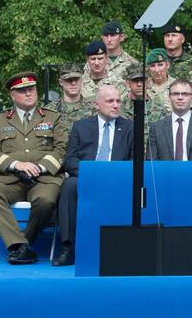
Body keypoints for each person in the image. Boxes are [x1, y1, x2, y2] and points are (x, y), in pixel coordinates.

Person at [0, 72, 67, 264]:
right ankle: (20, 246)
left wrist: (40, 167)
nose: (29, 93)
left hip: (44, 179)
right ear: (13, 95)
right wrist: (16, 164)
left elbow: (62, 148)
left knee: (45, 201)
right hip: (10, 178)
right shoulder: (0, 120)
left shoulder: (53, 117)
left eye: (32, 89)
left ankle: (22, 245)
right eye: (22, 91)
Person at [52, 85, 133, 266]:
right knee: (68, 186)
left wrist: (112, 175)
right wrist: (91, 173)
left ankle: (123, 247)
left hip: (117, 178)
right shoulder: (81, 126)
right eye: (110, 101)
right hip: (86, 176)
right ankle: (68, 247)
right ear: (97, 104)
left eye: (118, 101)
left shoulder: (129, 127)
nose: (116, 105)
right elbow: (70, 159)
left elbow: (134, 160)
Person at [148, 80, 192, 161]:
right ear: (169, 97)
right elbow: (151, 162)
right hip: (164, 173)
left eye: (185, 94)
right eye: (176, 94)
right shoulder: (156, 128)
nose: (180, 97)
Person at [43, 63, 96, 137]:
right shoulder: (49, 110)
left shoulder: (94, 109)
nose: (73, 83)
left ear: (81, 80)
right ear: (61, 82)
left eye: (76, 79)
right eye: (69, 80)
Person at [145, 48, 175, 112]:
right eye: (152, 66)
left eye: (160, 65)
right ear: (148, 68)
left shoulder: (177, 86)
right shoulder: (143, 87)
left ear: (167, 65)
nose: (156, 70)